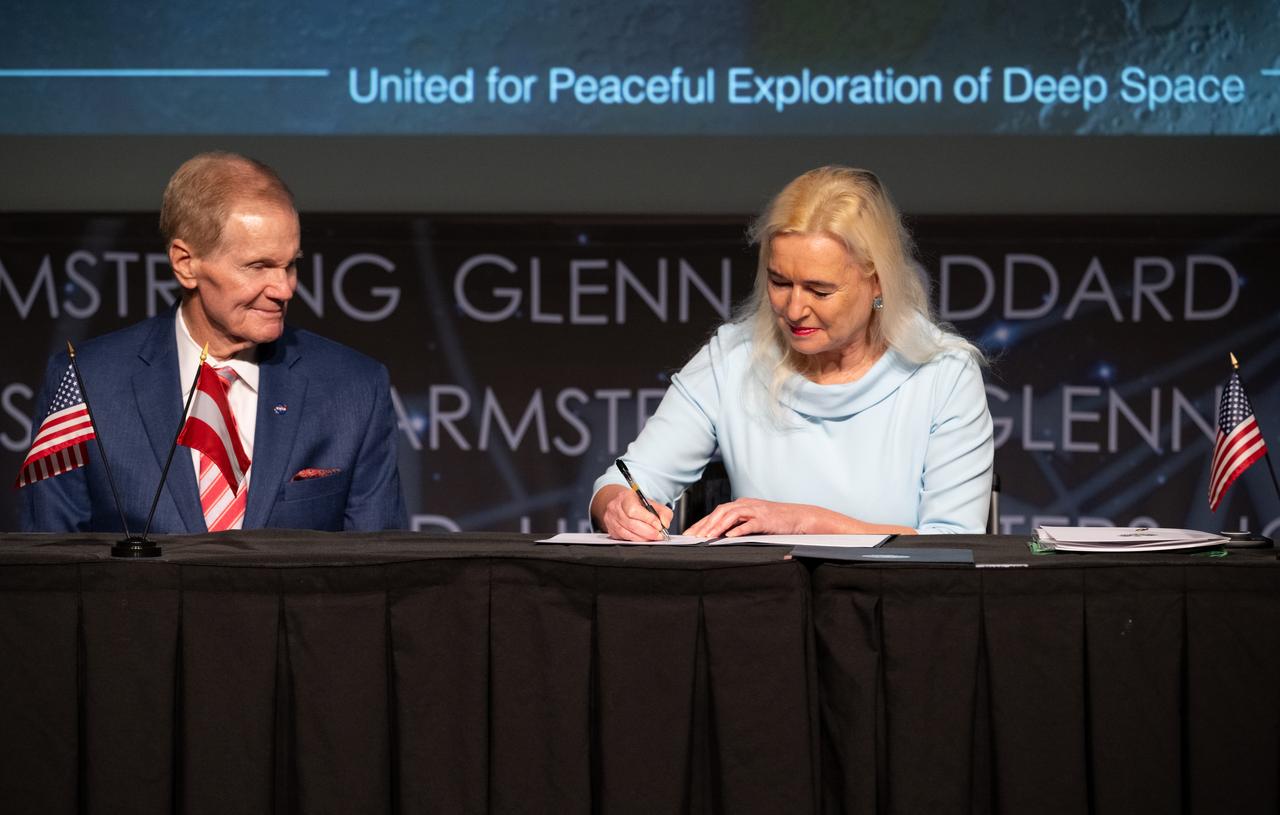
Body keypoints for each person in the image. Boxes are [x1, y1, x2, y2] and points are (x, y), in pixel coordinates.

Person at [591, 166, 993, 540]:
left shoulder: (944, 374)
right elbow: (625, 482)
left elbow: (954, 543)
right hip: (762, 593)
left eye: (820, 290)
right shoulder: (732, 358)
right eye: (780, 282)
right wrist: (618, 509)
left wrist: (805, 523)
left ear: (877, 282)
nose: (795, 309)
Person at [21, 152, 405, 533]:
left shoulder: (354, 388)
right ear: (185, 264)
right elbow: (52, 558)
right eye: (258, 266)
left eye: (290, 264)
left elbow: (378, 563)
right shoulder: (87, 382)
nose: (284, 288)